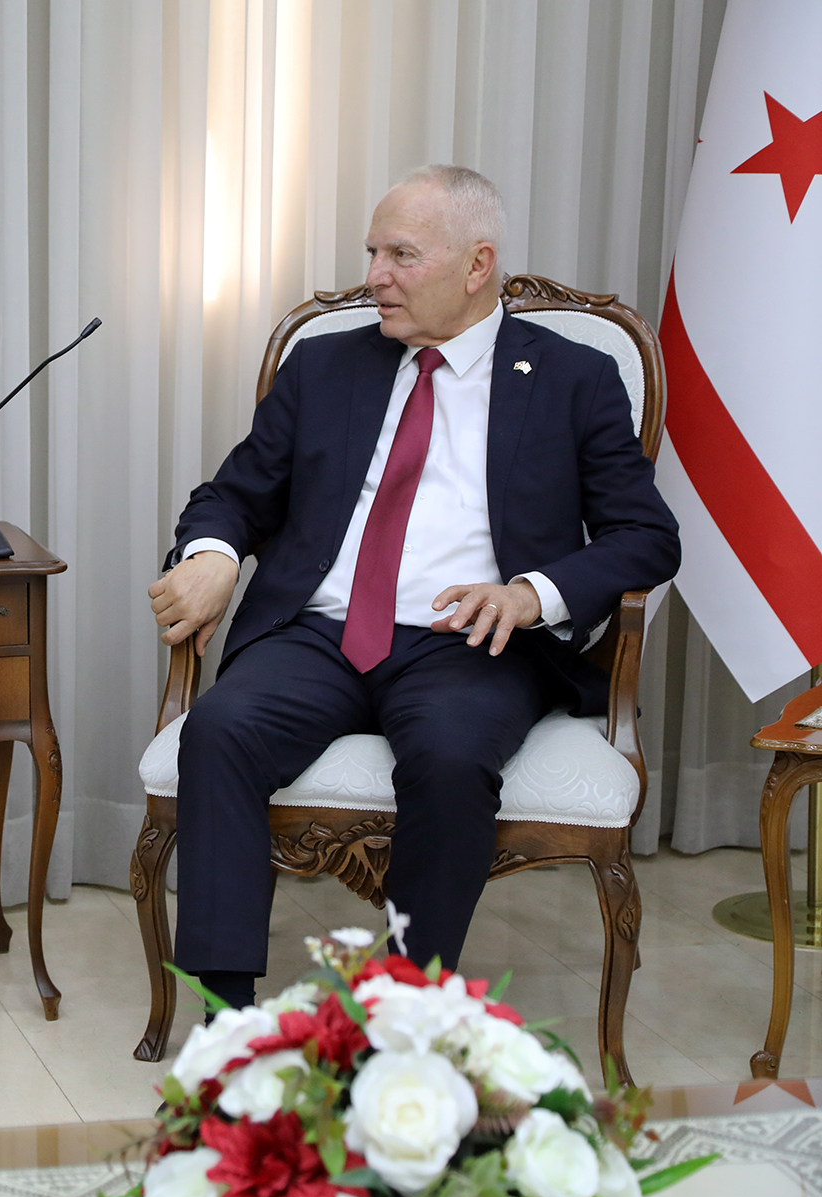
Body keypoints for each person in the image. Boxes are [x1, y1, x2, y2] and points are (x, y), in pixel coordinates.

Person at [148, 164, 679, 1012]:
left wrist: (530, 594)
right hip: (319, 634)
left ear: (477, 265)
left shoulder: (572, 379)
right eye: (372, 253)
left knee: (450, 756)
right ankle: (228, 1015)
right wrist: (212, 553)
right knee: (219, 730)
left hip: (471, 642)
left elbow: (646, 537)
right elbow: (234, 494)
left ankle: (405, 1011)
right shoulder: (325, 365)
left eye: (401, 255)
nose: (375, 277)